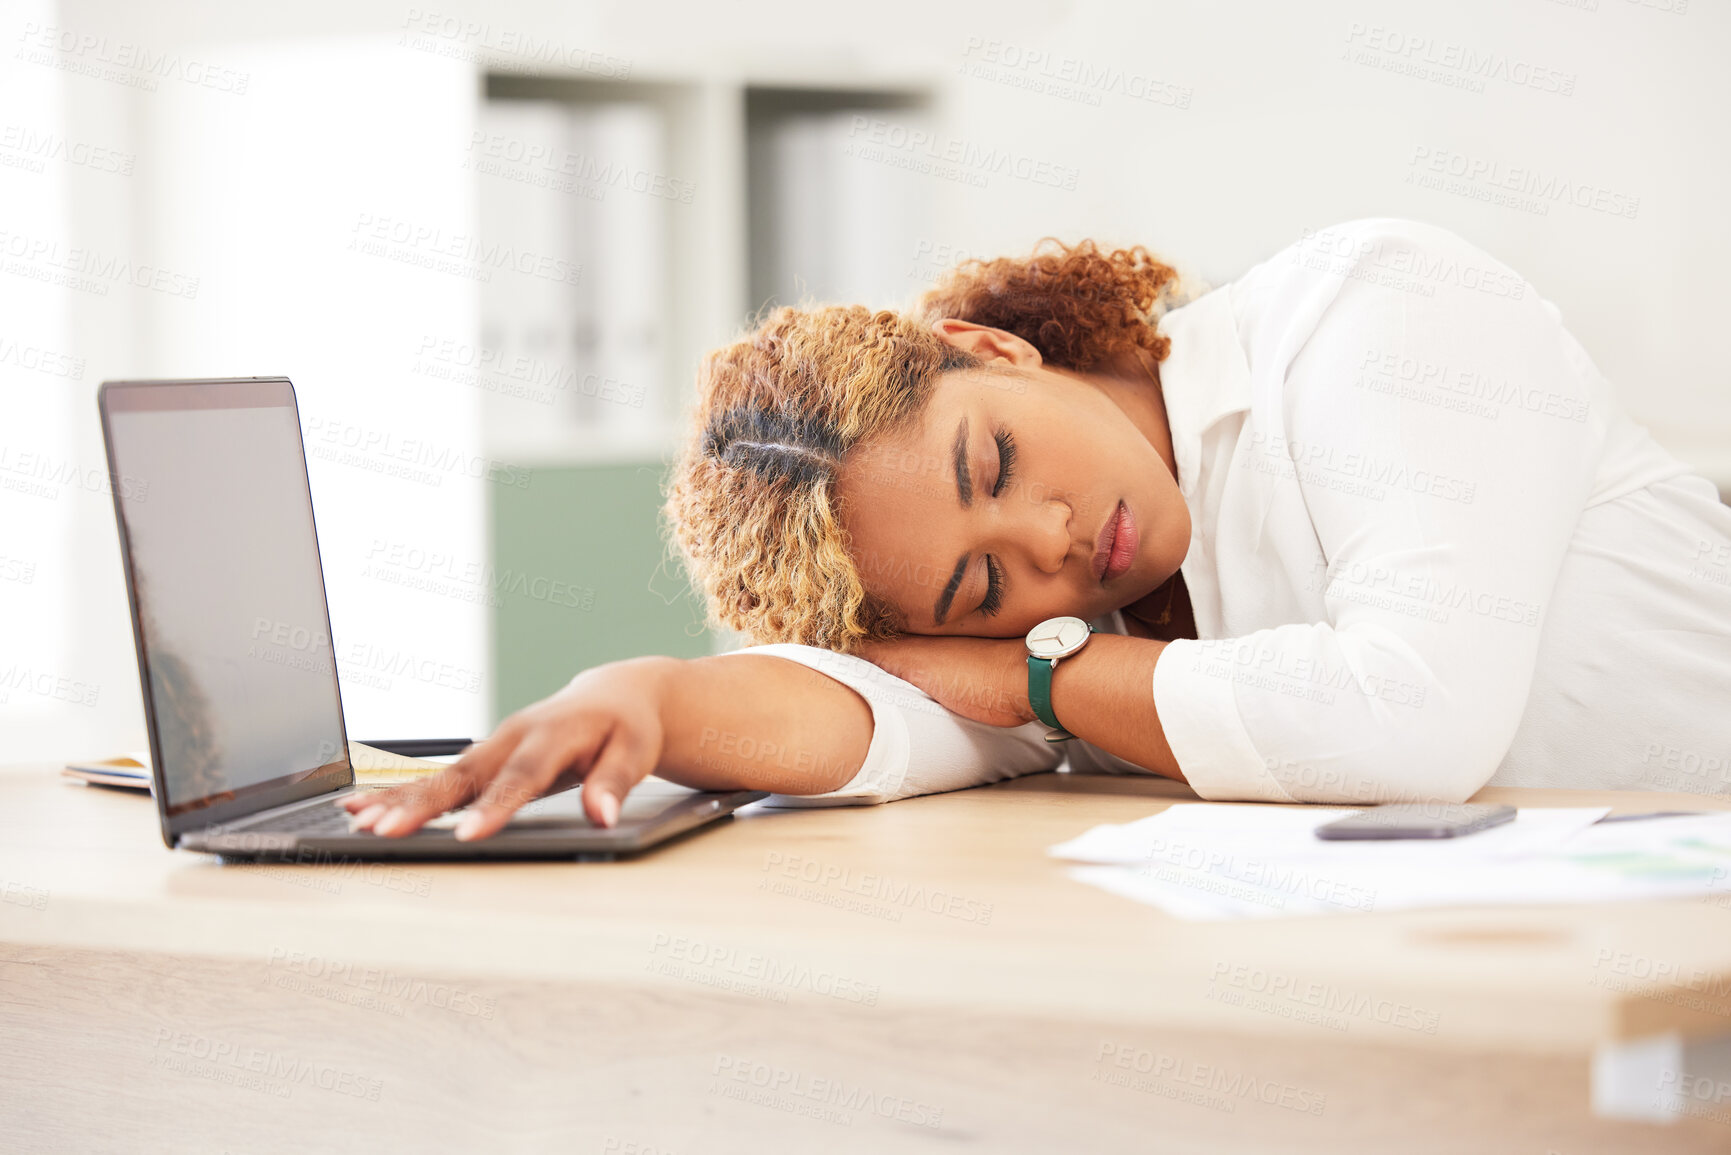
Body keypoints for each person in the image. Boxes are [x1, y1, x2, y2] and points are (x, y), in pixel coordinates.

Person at [347, 217, 1731, 841]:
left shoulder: (1379, 313)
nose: (1055, 541)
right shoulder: (1065, 626)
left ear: (989, 348)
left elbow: (1414, 725)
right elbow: (866, 718)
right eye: (978, 582)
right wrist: (643, 693)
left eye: (995, 459)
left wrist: (1033, 672)